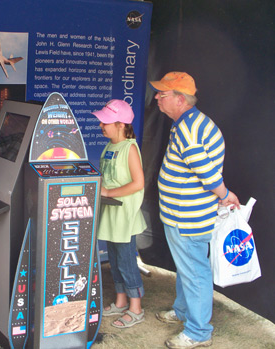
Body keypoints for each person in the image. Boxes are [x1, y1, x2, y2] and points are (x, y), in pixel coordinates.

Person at [149, 72, 240, 348]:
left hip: (187, 217)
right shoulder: (188, 122)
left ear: (180, 100)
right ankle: (183, 311)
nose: (156, 98)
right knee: (187, 268)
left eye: (162, 95)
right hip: (183, 214)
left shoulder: (189, 129)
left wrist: (226, 194)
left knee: (195, 272)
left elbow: (207, 173)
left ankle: (198, 332)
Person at [92, 99, 147, 329]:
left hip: (124, 216)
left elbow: (138, 183)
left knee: (126, 261)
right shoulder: (109, 147)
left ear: (121, 124)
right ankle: (121, 300)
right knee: (114, 260)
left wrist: (108, 191)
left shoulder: (130, 148)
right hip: (110, 213)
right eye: (102, 121)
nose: (102, 126)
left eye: (106, 122)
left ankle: (136, 308)